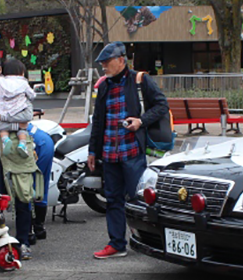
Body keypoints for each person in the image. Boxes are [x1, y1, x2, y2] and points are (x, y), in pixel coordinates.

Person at [88, 41, 169, 259]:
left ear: (121, 60)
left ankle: (150, 241)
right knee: (113, 199)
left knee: (139, 198)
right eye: (102, 63)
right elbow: (98, 121)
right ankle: (117, 244)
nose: (103, 66)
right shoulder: (104, 85)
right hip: (109, 153)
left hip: (132, 151)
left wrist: (141, 121)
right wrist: (92, 151)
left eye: (106, 62)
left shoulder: (139, 80)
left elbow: (162, 105)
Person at [0, 57, 39, 259]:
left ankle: (23, 242)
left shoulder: (17, 89)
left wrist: (4, 120)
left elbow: (28, 115)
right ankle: (0, 244)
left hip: (19, 148)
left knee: (23, 194)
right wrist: (15, 124)